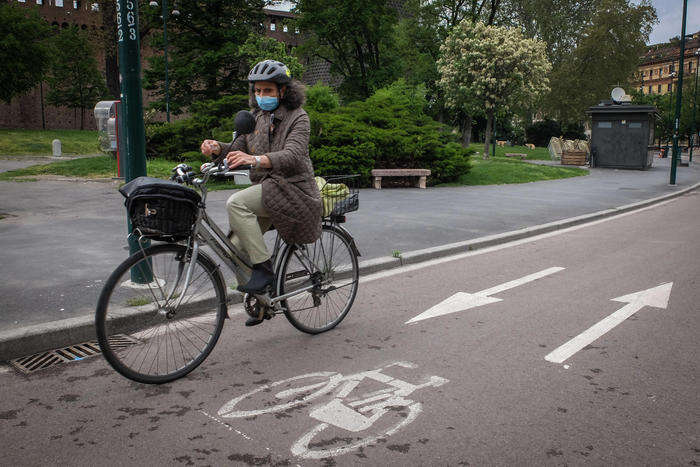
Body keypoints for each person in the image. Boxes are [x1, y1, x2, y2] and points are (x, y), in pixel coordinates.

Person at [200, 60, 322, 326]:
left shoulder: (298, 117)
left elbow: (292, 155)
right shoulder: (256, 118)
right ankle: (263, 299)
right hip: (268, 190)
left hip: (294, 190)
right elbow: (239, 146)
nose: (261, 96)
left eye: (268, 90)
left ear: (282, 91)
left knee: (236, 204)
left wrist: (254, 161)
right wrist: (217, 148)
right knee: (234, 248)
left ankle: (264, 271)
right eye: (258, 91)